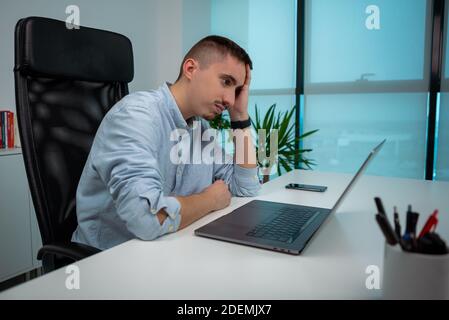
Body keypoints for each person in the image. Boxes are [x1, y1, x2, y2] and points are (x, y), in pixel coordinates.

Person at [72, 35, 261, 250]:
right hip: (108, 259)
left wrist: (240, 116)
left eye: (236, 90)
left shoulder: (200, 129)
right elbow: (145, 218)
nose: (229, 99)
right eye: (226, 82)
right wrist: (210, 200)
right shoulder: (136, 115)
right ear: (190, 69)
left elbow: (246, 188)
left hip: (170, 250)